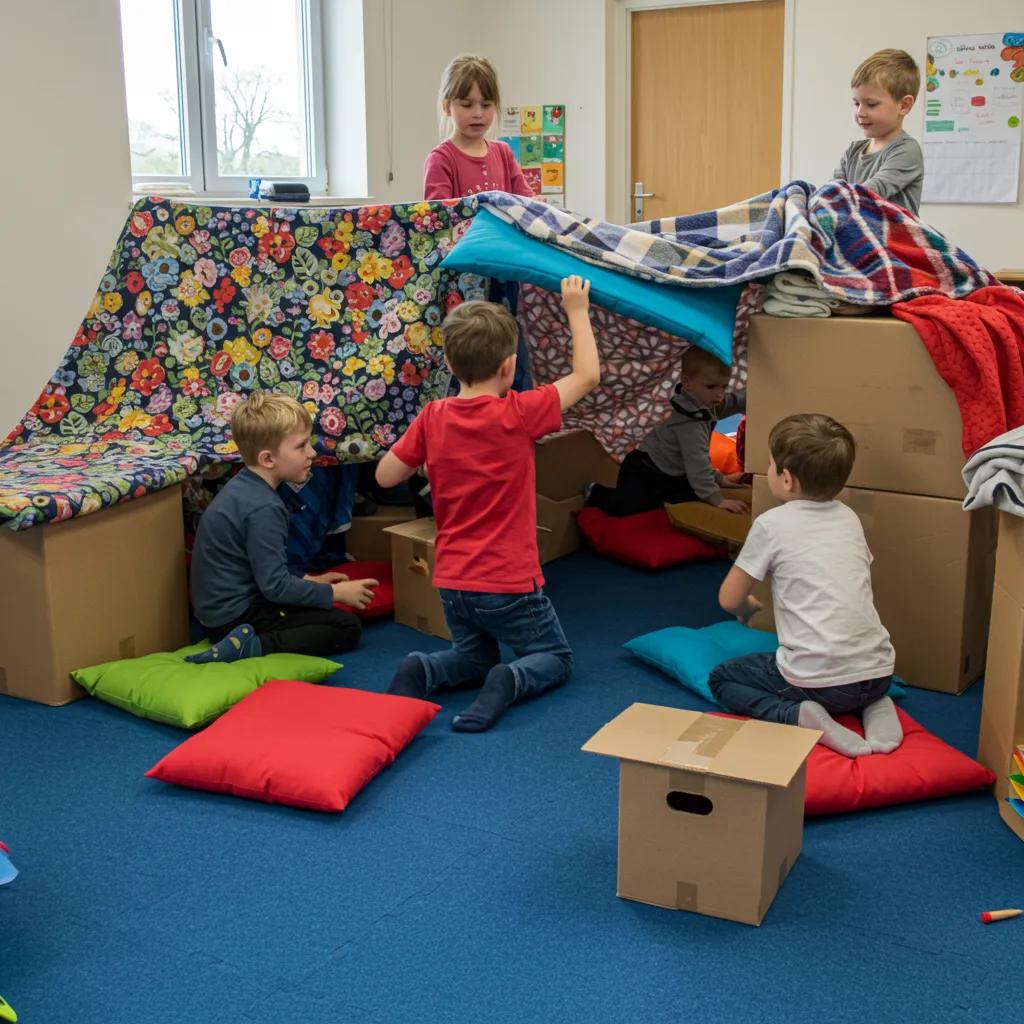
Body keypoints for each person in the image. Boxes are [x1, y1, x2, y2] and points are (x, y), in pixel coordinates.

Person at [375, 276, 600, 732]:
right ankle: (511, 678)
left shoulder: (433, 417)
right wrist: (576, 309)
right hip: (507, 583)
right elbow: (588, 376)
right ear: (508, 367)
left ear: (449, 363)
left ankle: (424, 669)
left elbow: (384, 477)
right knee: (555, 657)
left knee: (472, 657)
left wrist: (426, 462)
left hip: (454, 583)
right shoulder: (518, 412)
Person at [708, 414, 903, 757]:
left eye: (769, 464)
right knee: (860, 684)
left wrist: (746, 607)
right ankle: (876, 704)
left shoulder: (771, 524)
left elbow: (729, 597)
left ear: (786, 479)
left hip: (818, 686)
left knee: (723, 678)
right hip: (879, 672)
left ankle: (798, 715)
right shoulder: (849, 517)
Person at [186, 394, 377, 664]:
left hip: (217, 614)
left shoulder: (245, 487)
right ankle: (253, 646)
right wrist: (334, 593)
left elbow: (261, 564)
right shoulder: (264, 508)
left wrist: (309, 581)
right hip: (234, 620)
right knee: (346, 626)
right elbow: (274, 587)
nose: (312, 453)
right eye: (301, 446)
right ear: (268, 459)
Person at [585, 346, 748, 517]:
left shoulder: (705, 402)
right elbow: (697, 465)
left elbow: (734, 401)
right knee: (627, 507)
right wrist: (718, 500)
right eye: (711, 386)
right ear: (687, 382)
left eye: (724, 386)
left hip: (673, 471)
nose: (720, 394)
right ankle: (595, 491)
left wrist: (758, 395)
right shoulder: (689, 422)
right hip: (645, 471)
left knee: (683, 495)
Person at [423, 54, 533, 200]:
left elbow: (526, 204)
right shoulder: (442, 159)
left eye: (486, 105)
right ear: (447, 106)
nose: (478, 113)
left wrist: (538, 204)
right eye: (467, 105)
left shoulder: (503, 153)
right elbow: (438, 219)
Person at [833, 48, 923, 215]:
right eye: (856, 103)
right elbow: (833, 193)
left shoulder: (906, 150)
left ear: (903, 106)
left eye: (871, 104)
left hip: (892, 240)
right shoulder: (852, 152)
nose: (860, 112)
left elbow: (871, 192)